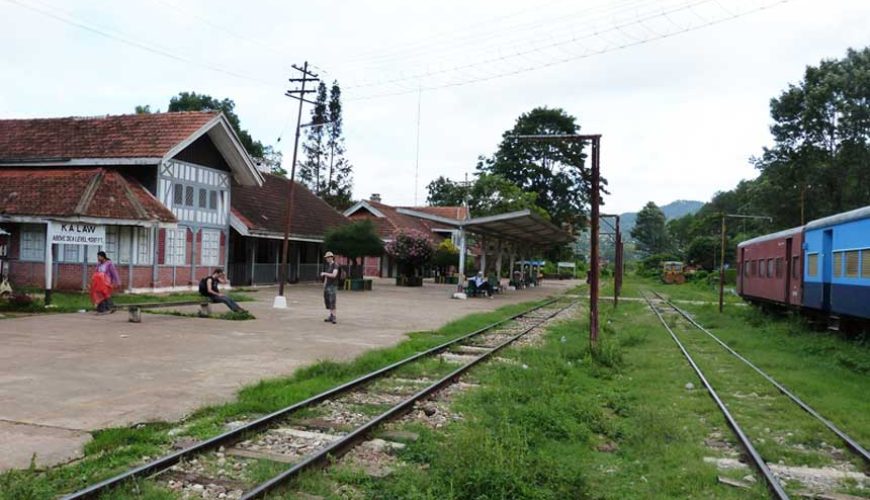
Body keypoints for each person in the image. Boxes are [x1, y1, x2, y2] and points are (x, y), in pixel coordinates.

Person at [320, 251, 339, 323]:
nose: (327, 259)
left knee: (332, 300)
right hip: (328, 285)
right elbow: (327, 277)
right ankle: (331, 315)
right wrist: (324, 284)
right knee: (327, 300)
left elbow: (334, 275)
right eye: (326, 258)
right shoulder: (329, 266)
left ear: (331, 257)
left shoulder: (335, 265)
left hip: (332, 285)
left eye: (328, 257)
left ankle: (334, 316)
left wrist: (325, 273)